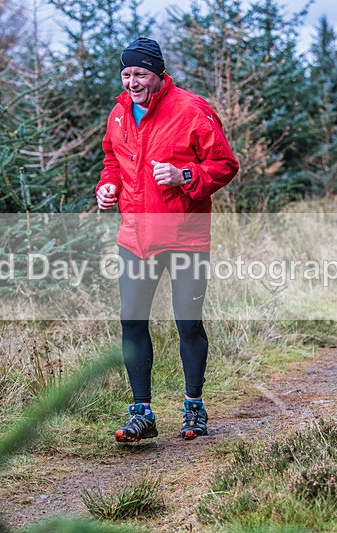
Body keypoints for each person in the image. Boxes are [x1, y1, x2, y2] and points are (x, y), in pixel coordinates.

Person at [95, 37, 239, 443]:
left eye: (140, 74)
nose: (132, 82)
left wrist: (186, 176)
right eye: (126, 75)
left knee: (188, 324)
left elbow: (225, 165)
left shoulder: (192, 110)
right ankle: (141, 412)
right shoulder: (119, 114)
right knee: (132, 321)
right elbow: (112, 160)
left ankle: (194, 407)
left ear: (158, 73)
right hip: (135, 238)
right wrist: (106, 187)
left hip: (185, 239)